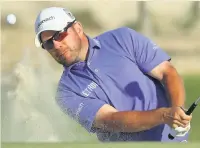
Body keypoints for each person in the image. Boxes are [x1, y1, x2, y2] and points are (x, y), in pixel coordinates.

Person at [34, 7, 192, 142]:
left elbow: (167, 72)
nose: (55, 45)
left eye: (59, 35)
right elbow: (111, 120)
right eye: (47, 43)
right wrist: (164, 115)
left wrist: (177, 110)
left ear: (78, 28)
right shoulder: (66, 93)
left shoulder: (122, 38)